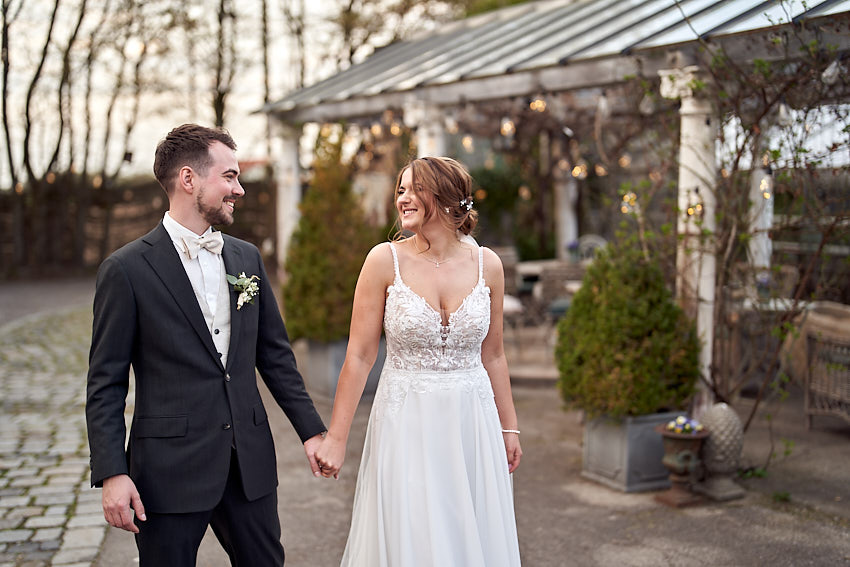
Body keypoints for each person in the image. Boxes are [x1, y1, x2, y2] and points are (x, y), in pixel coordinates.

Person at [85, 123, 326, 566]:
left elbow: (274, 356)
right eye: (230, 176)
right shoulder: (126, 270)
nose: (240, 189)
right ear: (188, 179)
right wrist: (113, 472)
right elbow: (106, 383)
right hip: (168, 470)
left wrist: (312, 431)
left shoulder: (245, 258)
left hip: (248, 465)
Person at [315, 156, 522, 566]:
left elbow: (494, 354)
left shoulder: (488, 265)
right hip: (406, 421)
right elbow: (359, 355)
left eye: (414, 189)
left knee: (469, 532)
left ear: (446, 197)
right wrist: (336, 438)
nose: (403, 199)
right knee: (415, 534)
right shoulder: (383, 261)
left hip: (472, 422)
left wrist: (509, 426)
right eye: (401, 191)